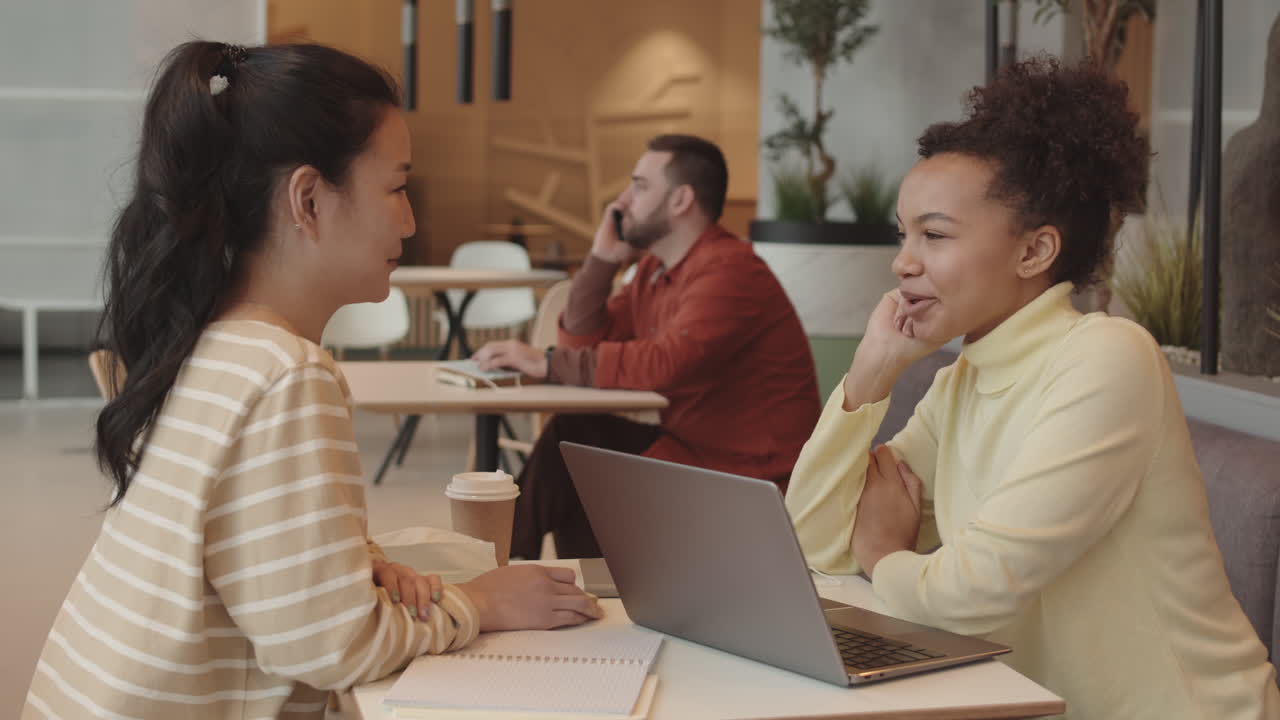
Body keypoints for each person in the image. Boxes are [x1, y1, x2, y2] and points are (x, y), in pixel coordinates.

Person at [23, 41, 600, 720]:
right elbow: (334, 649)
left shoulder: (215, 343)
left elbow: (251, 565)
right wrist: (482, 602)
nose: (410, 222)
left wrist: (350, 567)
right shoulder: (288, 376)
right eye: (396, 186)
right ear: (308, 199)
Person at [785, 57, 1280, 719]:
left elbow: (977, 589)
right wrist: (871, 370)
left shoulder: (1108, 358)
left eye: (933, 235)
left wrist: (883, 553)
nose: (904, 261)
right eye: (903, 235)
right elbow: (819, 544)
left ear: (1034, 252)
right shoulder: (962, 378)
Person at [474, 134, 820, 559]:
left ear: (680, 200)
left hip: (746, 474)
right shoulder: (654, 270)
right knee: (576, 446)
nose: (621, 202)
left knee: (576, 448)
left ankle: (497, 570)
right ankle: (551, 584)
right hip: (691, 451)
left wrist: (546, 363)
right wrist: (602, 258)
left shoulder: (732, 270)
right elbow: (584, 340)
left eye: (639, 186)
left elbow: (668, 363)